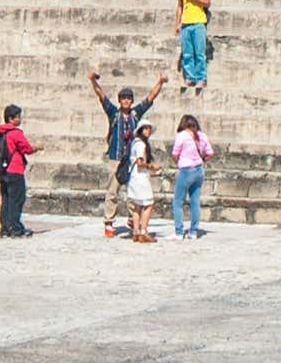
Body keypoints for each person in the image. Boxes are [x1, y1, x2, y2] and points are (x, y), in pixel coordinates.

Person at [87, 69, 166, 236]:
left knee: (133, 190)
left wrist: (160, 83)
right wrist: (93, 81)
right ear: (120, 100)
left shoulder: (136, 115)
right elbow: (101, 96)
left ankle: (133, 219)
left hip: (131, 160)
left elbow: (150, 98)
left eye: (129, 98)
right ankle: (109, 222)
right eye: (123, 98)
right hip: (115, 158)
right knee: (113, 191)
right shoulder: (113, 113)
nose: (126, 101)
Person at [0, 104, 37, 237]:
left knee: (6, 199)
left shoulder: (0, 132)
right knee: (16, 199)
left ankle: (5, 227)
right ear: (11, 119)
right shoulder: (16, 133)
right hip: (15, 170)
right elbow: (26, 149)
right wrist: (37, 148)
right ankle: (15, 228)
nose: (20, 119)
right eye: (18, 117)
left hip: (3, 171)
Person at [169, 115, 215, 240]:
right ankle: (193, 232)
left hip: (186, 170)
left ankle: (179, 232)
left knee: (178, 202)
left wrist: (178, 161)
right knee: (195, 201)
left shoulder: (182, 135)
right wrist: (202, 160)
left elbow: (174, 153)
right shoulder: (203, 136)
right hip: (199, 170)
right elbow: (211, 153)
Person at [173, 0, 214, 92]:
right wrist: (177, 23)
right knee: (187, 53)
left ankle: (201, 79)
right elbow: (179, 6)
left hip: (198, 23)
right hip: (186, 24)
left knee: (199, 53)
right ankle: (190, 78)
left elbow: (207, 3)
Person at [122, 123, 161, 243]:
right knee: (148, 203)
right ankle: (143, 231)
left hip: (134, 177)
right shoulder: (140, 145)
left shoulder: (135, 142)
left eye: (149, 128)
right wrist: (152, 166)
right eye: (145, 128)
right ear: (140, 130)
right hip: (140, 178)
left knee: (137, 206)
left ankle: (136, 232)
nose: (148, 130)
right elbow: (140, 163)